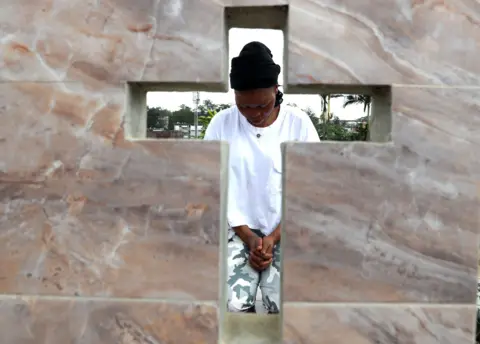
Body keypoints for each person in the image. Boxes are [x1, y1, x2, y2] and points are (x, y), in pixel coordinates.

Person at [204, 41, 320, 314]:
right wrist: (248, 237)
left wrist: (273, 238)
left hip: (285, 230)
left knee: (284, 305)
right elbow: (210, 186)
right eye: (244, 106)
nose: (253, 114)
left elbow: (310, 190)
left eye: (262, 105)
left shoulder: (298, 123)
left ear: (277, 91)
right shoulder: (222, 123)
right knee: (231, 305)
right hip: (235, 231)